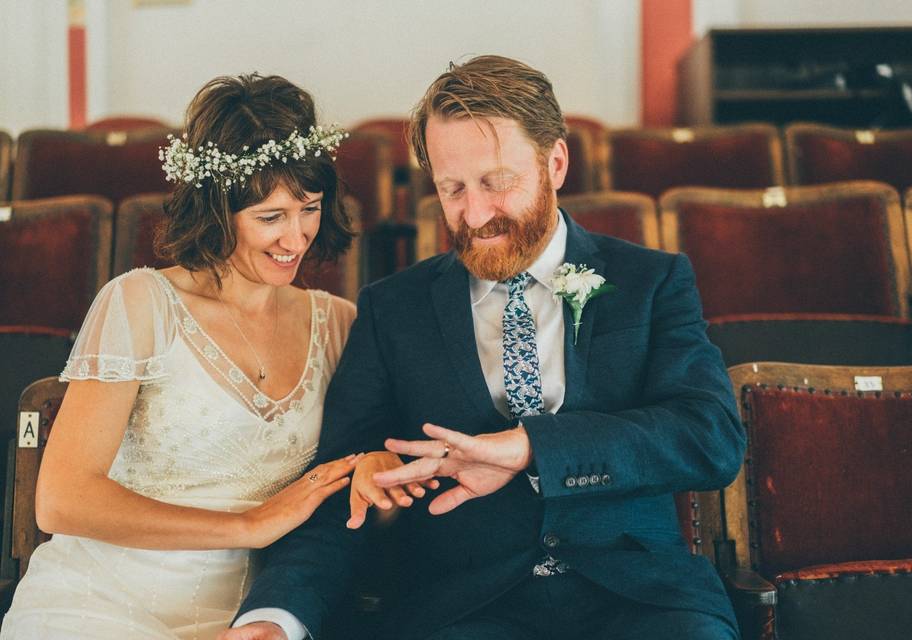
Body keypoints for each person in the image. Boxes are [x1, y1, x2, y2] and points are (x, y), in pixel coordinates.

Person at [227, 55, 745, 640]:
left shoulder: (652, 282)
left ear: (555, 163)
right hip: (467, 609)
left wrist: (531, 448)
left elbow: (710, 439)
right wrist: (278, 616)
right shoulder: (392, 309)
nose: (474, 214)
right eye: (452, 188)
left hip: (646, 600)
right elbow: (340, 486)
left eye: (496, 183)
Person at [0, 74, 363, 640]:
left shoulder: (338, 322)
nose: (297, 238)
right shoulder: (141, 302)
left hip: (257, 618)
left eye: (309, 209)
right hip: (102, 604)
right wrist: (250, 524)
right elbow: (61, 500)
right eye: (271, 217)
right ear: (220, 209)